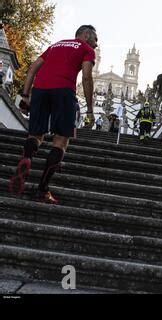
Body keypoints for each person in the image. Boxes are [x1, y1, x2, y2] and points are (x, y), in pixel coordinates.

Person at [10, 25, 98, 205]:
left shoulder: (56, 45)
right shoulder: (86, 49)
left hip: (40, 90)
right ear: (86, 34)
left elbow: (33, 68)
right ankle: (42, 190)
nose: (96, 44)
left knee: (35, 135)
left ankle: (27, 157)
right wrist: (90, 109)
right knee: (60, 141)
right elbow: (87, 77)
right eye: (95, 39)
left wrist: (25, 96)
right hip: (64, 92)